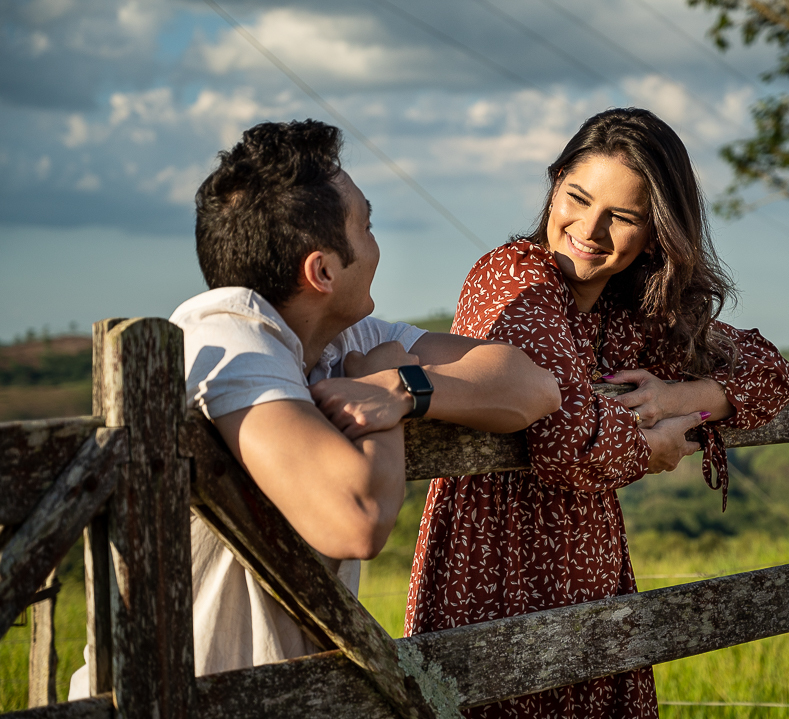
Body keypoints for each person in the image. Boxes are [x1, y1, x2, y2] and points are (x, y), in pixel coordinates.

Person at [69, 119, 561, 696]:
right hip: (184, 702)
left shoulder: (337, 337)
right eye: (368, 225)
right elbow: (355, 519)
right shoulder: (228, 336)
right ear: (322, 271)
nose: (378, 246)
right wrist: (381, 385)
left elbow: (532, 385)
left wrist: (400, 388)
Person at [405, 108, 789, 718]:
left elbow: (772, 374)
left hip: (589, 568)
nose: (590, 229)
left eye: (623, 216)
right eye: (578, 198)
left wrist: (674, 398)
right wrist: (652, 446)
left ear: (655, 232)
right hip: (494, 566)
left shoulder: (628, 312)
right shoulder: (515, 277)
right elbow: (567, 440)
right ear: (555, 183)